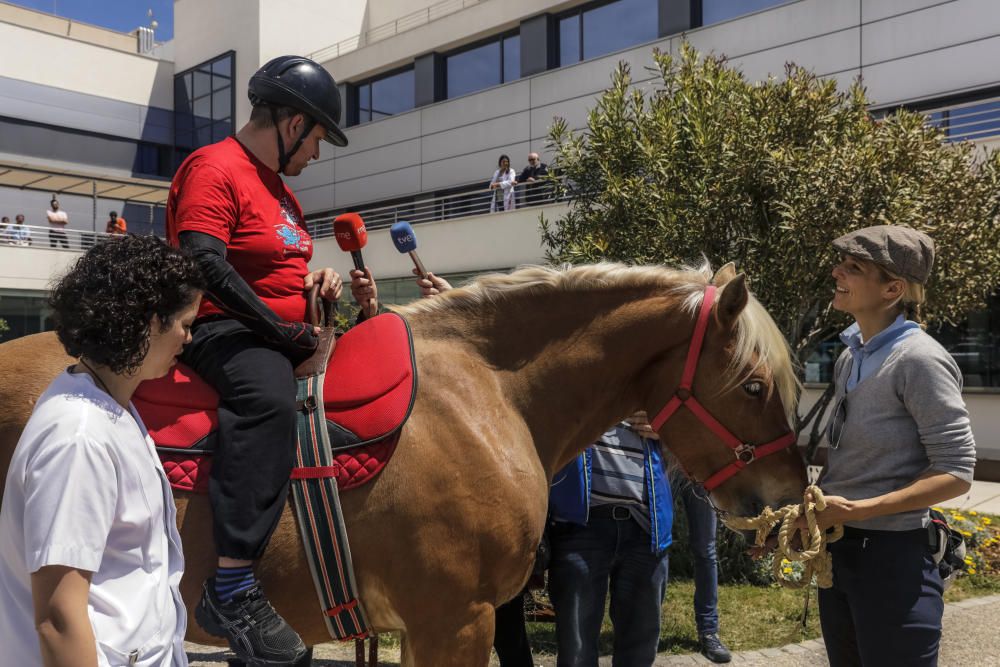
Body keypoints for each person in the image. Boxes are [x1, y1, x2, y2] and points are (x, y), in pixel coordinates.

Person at [167, 54, 376, 665]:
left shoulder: (283, 193)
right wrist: (281, 331)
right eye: (316, 138)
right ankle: (230, 587)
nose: (317, 153)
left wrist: (317, 286)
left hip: (282, 329)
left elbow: (278, 266)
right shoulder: (213, 167)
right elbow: (204, 263)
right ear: (291, 124)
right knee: (265, 399)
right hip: (221, 330)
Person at [0, 235, 203, 667]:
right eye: (186, 323)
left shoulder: (108, 407)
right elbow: (58, 618)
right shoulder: (79, 436)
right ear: (151, 322)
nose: (188, 338)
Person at [814, 225, 976, 666]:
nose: (836, 273)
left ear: (893, 289)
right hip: (842, 552)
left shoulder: (919, 359)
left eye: (854, 268)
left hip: (894, 562)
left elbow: (957, 471)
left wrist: (861, 510)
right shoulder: (851, 355)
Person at [548, 414, 672, 667]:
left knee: (640, 648)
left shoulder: (653, 390)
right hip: (582, 524)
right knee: (577, 652)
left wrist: (667, 431)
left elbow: (693, 447)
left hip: (647, 528)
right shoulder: (579, 381)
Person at [669, 473, 732, 663]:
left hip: (699, 472)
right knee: (656, 545)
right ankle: (646, 627)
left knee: (706, 551)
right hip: (665, 466)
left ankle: (709, 632)